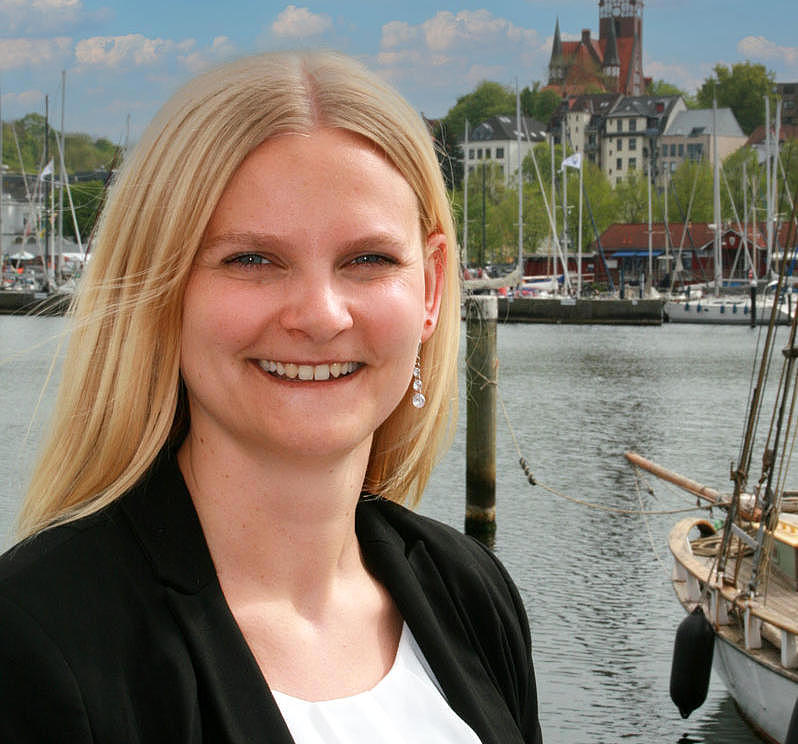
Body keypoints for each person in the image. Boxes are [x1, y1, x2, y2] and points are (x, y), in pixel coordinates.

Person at [0, 51, 542, 743]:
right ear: (162, 289)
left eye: (368, 259)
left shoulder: (474, 594)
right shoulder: (39, 641)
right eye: (251, 259)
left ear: (432, 289)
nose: (320, 315)